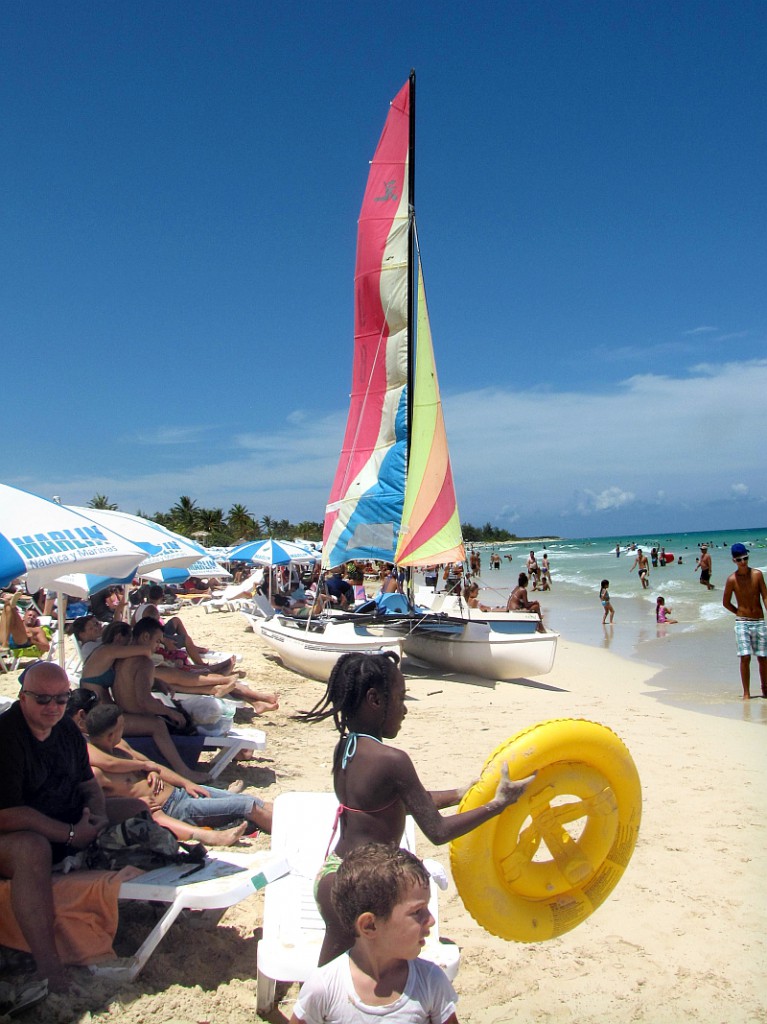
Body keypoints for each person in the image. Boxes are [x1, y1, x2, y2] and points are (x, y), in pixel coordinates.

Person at [298, 652, 535, 965]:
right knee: (358, 977)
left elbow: (400, 803)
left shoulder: (347, 747)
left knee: (334, 971)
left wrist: (462, 792)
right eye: (399, 697)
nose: (405, 708)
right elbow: (437, 831)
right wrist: (498, 804)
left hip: (333, 873)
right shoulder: (392, 760)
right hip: (360, 885)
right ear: (374, 700)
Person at [0, 662, 136, 993]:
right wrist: (72, 834)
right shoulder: (7, 737)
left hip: (67, 820)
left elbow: (89, 784)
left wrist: (99, 816)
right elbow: (8, 815)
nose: (54, 707)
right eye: (43, 699)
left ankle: (154, 907)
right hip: (13, 832)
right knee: (32, 847)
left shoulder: (66, 731)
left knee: (135, 808)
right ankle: (49, 968)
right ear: (22, 697)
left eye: (61, 699)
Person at [290, 845, 458, 1024]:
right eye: (417, 911)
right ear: (369, 925)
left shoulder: (431, 982)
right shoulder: (323, 989)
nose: (431, 920)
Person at [84, 704, 272, 843]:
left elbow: (154, 766)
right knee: (249, 805)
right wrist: (138, 803)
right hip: (173, 809)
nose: (125, 730)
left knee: (256, 801)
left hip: (180, 793)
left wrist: (186, 783)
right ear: (110, 734)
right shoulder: (98, 773)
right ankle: (291, 835)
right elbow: (102, 808)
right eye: (121, 727)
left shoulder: (121, 747)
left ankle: (292, 821)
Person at [722, 543, 767, 699]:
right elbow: (726, 602)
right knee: (745, 656)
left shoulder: (757, 575)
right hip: (742, 622)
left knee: (763, 657)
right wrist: (739, 612)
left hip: (759, 621)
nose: (743, 562)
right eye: (739, 560)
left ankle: (765, 689)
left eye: (745, 558)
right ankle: (746, 693)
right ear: (734, 560)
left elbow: (765, 596)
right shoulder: (732, 580)